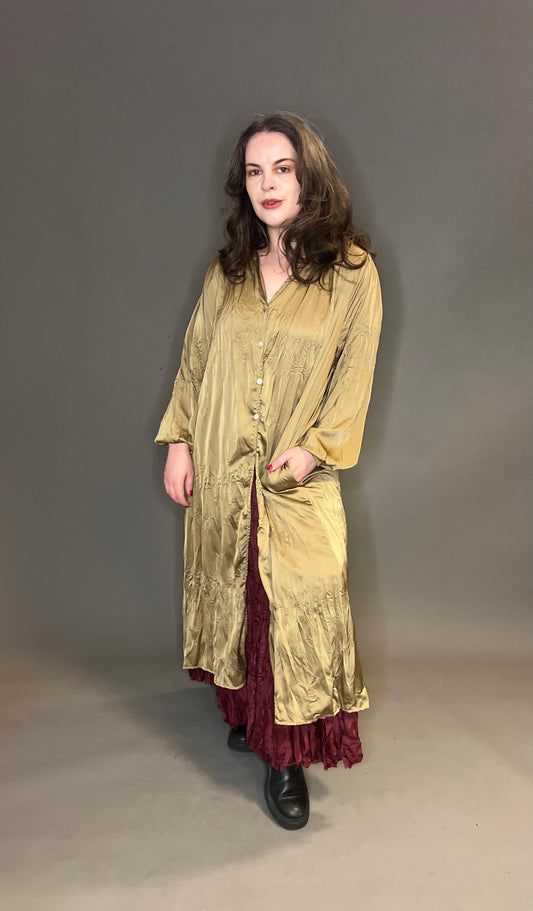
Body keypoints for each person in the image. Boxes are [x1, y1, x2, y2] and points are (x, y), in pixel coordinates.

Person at [155, 112, 382, 830]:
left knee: (293, 603)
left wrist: (314, 449)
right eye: (254, 172)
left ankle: (284, 757)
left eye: (282, 168)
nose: (268, 184)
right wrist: (180, 442)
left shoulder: (351, 273)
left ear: (309, 175)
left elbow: (354, 377)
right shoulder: (226, 272)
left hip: (293, 476)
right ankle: (249, 716)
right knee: (237, 595)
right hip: (222, 468)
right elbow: (195, 360)